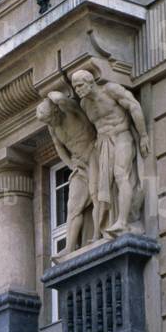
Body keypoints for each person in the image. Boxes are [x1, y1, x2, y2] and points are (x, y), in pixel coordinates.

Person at [71, 70, 149, 237]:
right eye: (75, 87)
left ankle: (123, 221)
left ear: (90, 82)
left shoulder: (111, 89)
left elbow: (134, 106)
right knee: (105, 185)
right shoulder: (85, 104)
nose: (77, 90)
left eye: (80, 85)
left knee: (121, 175)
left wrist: (143, 136)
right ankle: (112, 222)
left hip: (122, 136)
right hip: (103, 144)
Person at [38, 92, 99, 253]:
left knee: (98, 195)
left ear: (56, 111)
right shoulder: (53, 127)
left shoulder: (72, 113)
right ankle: (70, 246)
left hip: (94, 156)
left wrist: (49, 92)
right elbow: (59, 147)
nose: (50, 123)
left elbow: (62, 99)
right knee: (73, 206)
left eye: (50, 119)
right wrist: (71, 165)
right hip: (78, 165)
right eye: (47, 122)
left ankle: (99, 234)